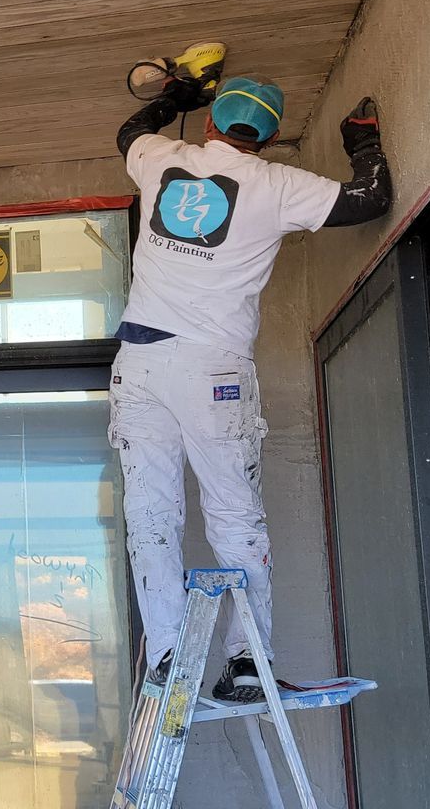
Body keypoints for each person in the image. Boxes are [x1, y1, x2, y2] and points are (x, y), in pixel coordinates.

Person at [113, 75, 391, 700]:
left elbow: (130, 133)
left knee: (150, 512)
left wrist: (175, 96)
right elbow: (369, 200)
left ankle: (165, 661)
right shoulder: (277, 185)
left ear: (212, 123)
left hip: (138, 364)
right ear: (266, 137)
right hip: (212, 369)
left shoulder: (163, 160)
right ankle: (247, 666)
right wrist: (362, 142)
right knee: (234, 512)